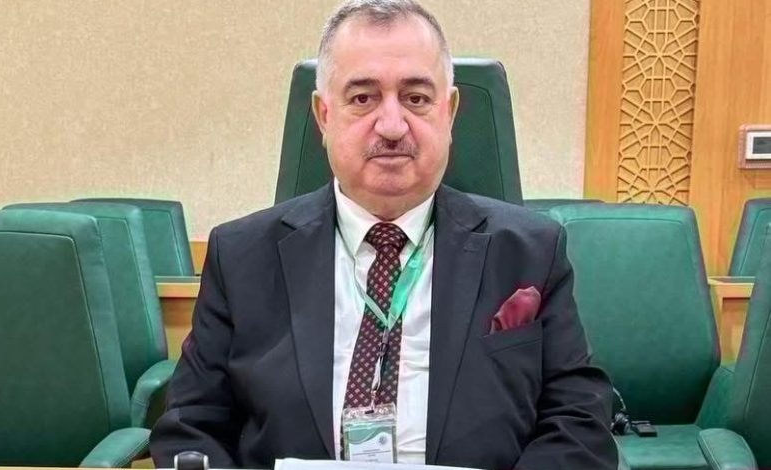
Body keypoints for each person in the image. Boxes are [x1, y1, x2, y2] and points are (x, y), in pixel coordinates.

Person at [151, 1, 617, 469]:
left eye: (416, 98)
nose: (392, 127)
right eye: (362, 98)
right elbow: (191, 427)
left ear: (449, 112)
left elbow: (578, 421)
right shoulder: (242, 257)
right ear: (324, 115)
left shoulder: (531, 253)